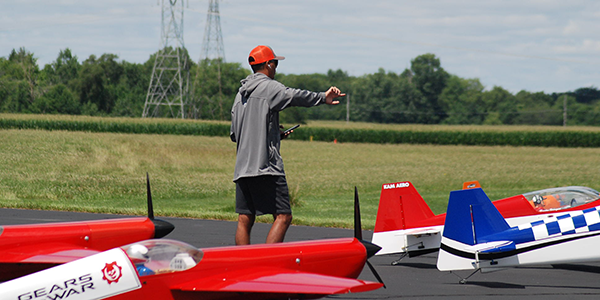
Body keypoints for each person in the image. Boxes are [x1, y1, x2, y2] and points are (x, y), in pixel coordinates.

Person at [230, 45, 345, 245]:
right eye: (275, 63)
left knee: (245, 218)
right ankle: (269, 263)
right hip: (266, 167)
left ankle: (243, 265)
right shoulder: (270, 87)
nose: (276, 67)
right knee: (283, 216)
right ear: (267, 64)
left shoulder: (240, 95)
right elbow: (295, 96)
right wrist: (322, 98)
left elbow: (235, 134)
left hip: (242, 168)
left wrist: (275, 133)